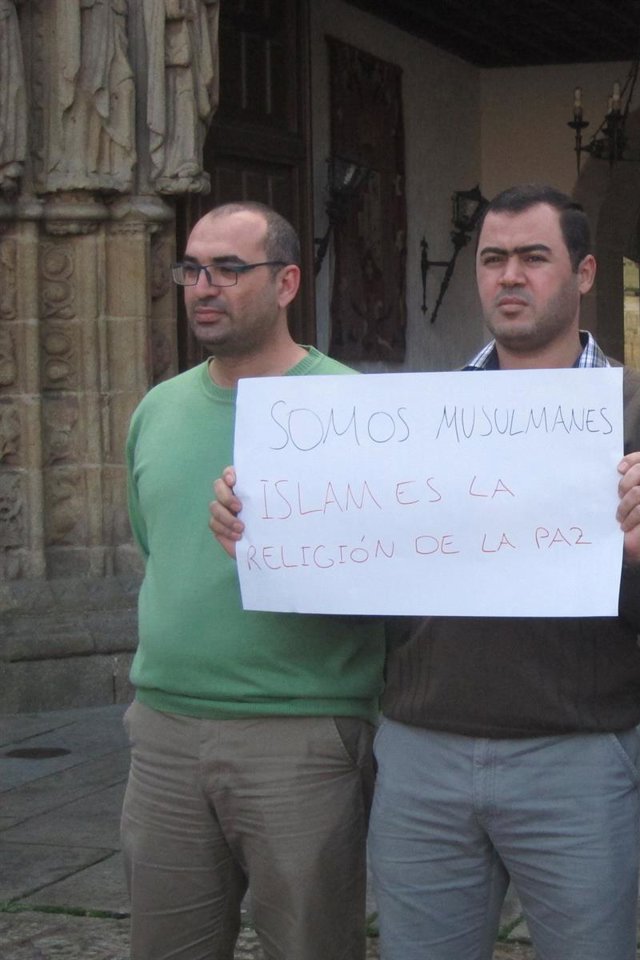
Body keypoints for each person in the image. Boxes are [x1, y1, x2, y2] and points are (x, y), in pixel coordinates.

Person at [211, 185, 640, 960]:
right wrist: (272, 537)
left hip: (573, 754)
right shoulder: (418, 414)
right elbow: (363, 573)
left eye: (533, 258)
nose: (510, 276)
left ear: (583, 273)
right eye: (493, 259)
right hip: (422, 748)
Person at [123, 201, 383, 960]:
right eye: (192, 269)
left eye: (229, 269)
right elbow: (157, 548)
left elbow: (387, 574)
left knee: (311, 946)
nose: (204, 286)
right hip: (164, 729)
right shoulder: (157, 410)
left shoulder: (350, 408)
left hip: (299, 731)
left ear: (286, 282)